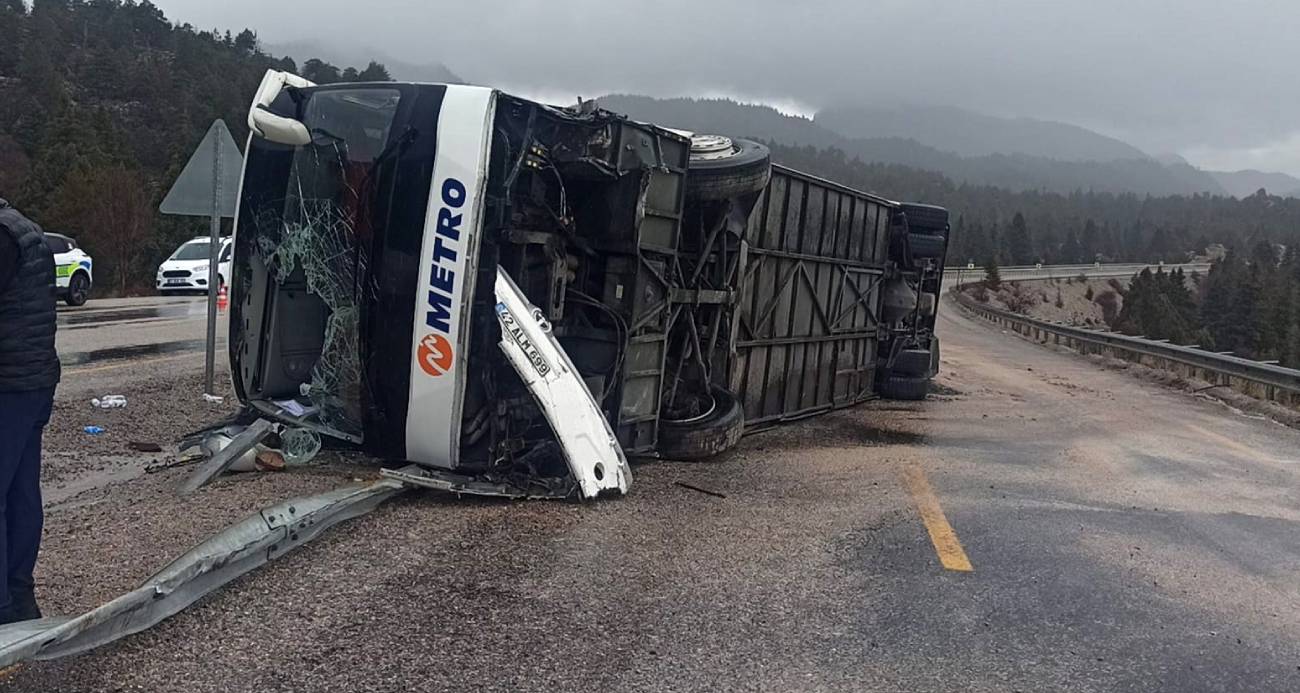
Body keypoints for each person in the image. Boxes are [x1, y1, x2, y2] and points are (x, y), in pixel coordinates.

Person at [0, 197, 59, 625]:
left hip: (7, 383)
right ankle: (20, 599)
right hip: (35, 379)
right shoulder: (25, 228)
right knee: (21, 492)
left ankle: (4, 606)